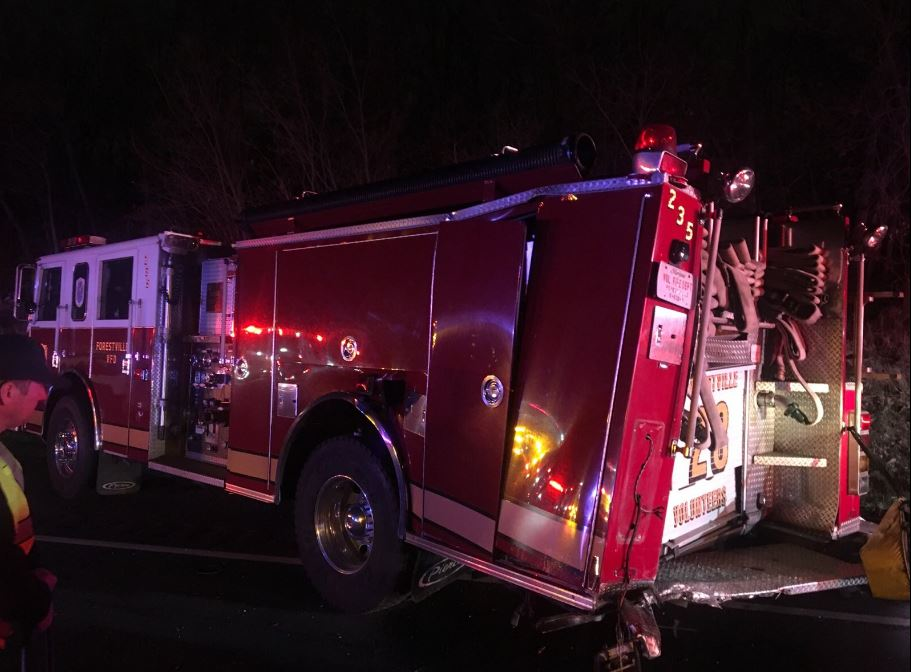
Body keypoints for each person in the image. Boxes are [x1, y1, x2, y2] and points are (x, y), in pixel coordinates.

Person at [0, 335, 57, 671]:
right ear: (7, 392)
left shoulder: (7, 459)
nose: (42, 396)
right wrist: (39, 600)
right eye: (37, 385)